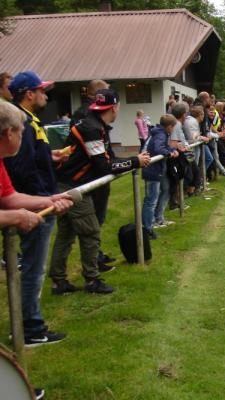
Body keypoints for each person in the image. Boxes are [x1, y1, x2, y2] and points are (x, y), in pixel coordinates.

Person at [49, 89, 150, 295]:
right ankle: (92, 280)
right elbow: (104, 166)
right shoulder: (92, 128)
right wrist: (135, 161)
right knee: (90, 231)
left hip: (67, 184)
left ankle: (59, 282)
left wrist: (129, 161)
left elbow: (107, 160)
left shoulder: (94, 123)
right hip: (74, 187)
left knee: (66, 235)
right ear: (114, 108)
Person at [4, 71, 74, 347]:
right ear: (29, 94)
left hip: (37, 200)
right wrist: (43, 198)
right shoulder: (19, 122)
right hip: (33, 205)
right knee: (33, 269)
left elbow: (30, 159)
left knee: (34, 267)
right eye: (42, 91)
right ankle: (30, 328)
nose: (46, 96)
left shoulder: (31, 122)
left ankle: (30, 324)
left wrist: (50, 156)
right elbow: (19, 168)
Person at [70, 80, 116, 268]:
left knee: (98, 219)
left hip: (98, 171)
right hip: (88, 175)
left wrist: (113, 160)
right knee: (91, 222)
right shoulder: (85, 115)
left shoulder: (95, 117)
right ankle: (93, 259)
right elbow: (95, 152)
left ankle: (97, 253)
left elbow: (105, 145)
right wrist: (110, 163)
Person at [142, 114, 179, 239]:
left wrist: (170, 149)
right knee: (151, 201)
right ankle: (148, 229)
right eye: (173, 127)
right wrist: (169, 153)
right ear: (169, 126)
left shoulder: (160, 132)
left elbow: (162, 146)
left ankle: (153, 224)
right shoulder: (160, 134)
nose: (173, 130)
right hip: (152, 170)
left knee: (157, 195)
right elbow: (158, 148)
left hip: (154, 170)